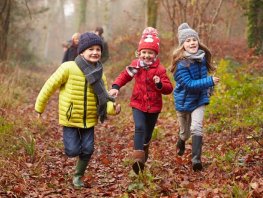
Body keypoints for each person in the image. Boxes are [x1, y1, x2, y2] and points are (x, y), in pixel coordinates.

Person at [35, 32, 121, 188]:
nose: (95, 52)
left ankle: (78, 176)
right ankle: (75, 154)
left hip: (89, 118)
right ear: (82, 51)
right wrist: (39, 107)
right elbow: (49, 87)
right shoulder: (68, 68)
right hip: (70, 117)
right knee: (72, 150)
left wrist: (113, 108)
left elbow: (104, 98)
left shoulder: (100, 73)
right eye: (91, 49)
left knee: (88, 149)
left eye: (98, 49)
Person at [109, 27, 173, 174]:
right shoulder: (136, 65)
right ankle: (138, 157)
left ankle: (144, 147)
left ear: (155, 54)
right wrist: (116, 86)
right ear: (139, 53)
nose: (146, 55)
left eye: (150, 53)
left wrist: (159, 84)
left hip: (154, 106)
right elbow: (124, 75)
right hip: (138, 103)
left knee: (148, 134)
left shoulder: (160, 69)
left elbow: (169, 88)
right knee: (139, 127)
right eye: (144, 52)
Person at [169, 23, 220, 171]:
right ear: (182, 45)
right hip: (184, 102)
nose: (192, 42)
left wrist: (208, 86)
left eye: (194, 39)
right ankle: (181, 140)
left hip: (199, 99)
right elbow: (190, 85)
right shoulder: (180, 65)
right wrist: (209, 81)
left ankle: (196, 160)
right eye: (188, 40)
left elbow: (202, 77)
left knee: (196, 127)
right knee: (185, 133)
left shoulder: (202, 58)